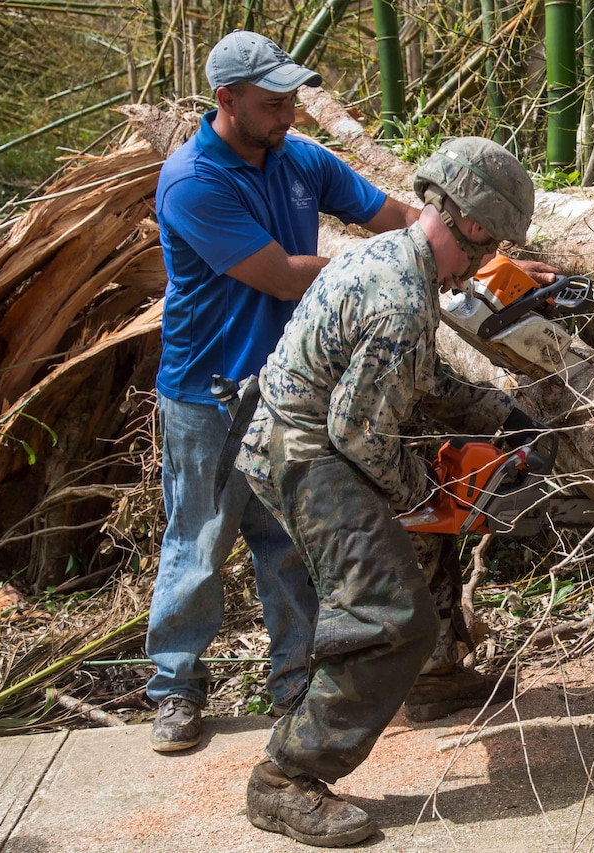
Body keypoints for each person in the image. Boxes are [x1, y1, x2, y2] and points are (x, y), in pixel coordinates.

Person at [148, 30, 554, 753]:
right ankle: (176, 688)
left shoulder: (298, 158)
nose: (290, 115)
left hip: (294, 385)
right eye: (274, 103)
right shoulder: (192, 181)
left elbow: (401, 218)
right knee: (199, 545)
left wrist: (489, 259)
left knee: (291, 552)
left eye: (294, 100)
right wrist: (385, 268)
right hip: (209, 388)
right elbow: (277, 274)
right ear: (227, 100)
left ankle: (296, 684)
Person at [233, 137, 539, 846]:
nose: (487, 256)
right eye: (489, 241)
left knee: (428, 534)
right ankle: (286, 774)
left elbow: (420, 378)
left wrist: (502, 414)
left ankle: (431, 679)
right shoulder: (403, 296)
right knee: (391, 610)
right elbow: (360, 433)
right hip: (306, 452)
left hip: (302, 430)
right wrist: (428, 493)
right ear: (470, 223)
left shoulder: (390, 256)